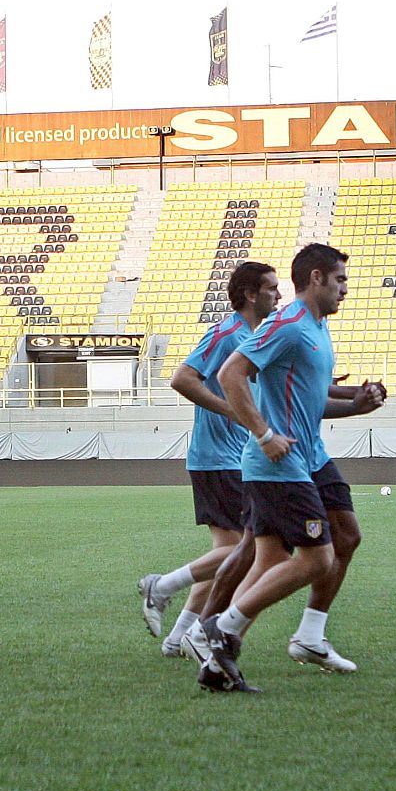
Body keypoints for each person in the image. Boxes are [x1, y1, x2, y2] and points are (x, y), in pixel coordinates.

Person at [199, 243, 385, 693]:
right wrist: (264, 434)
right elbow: (231, 374)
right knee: (314, 557)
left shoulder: (319, 329)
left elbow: (307, 403)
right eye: (340, 279)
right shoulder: (289, 324)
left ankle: (304, 638)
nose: (346, 288)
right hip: (278, 462)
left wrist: (356, 407)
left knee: (344, 537)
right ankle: (222, 627)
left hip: (312, 456)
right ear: (317, 278)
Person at [137, 261, 278, 656]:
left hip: (229, 456)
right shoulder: (227, 332)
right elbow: (182, 378)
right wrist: (229, 410)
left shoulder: (252, 335)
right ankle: (161, 586)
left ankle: (178, 638)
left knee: (228, 554)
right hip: (220, 458)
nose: (278, 295)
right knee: (241, 552)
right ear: (251, 294)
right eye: (271, 288)